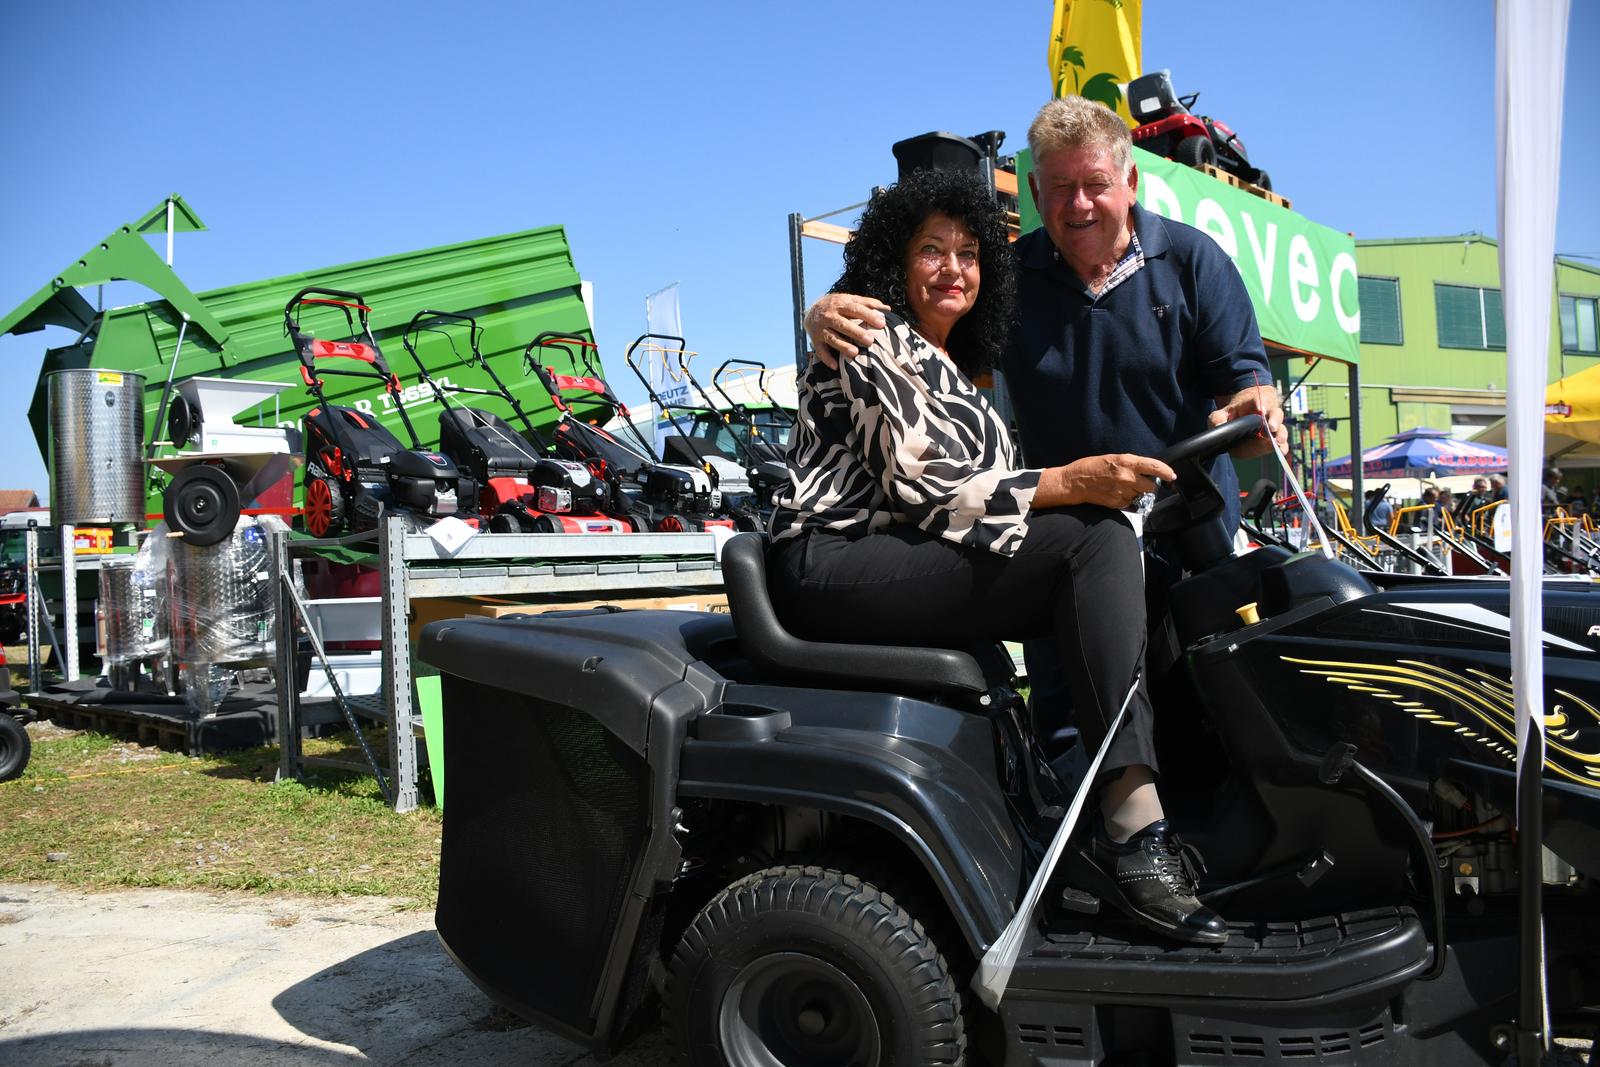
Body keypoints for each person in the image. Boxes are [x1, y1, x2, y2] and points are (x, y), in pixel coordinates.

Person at [769, 164, 1226, 945]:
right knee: (1093, 538)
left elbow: (974, 500)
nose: (954, 267)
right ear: (893, 260)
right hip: (834, 560)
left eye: (970, 252)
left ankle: (1170, 796)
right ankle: (1133, 832)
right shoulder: (869, 333)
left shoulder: (953, 371)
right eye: (931, 249)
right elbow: (927, 486)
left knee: (1138, 564)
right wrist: (1075, 480)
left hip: (897, 555)